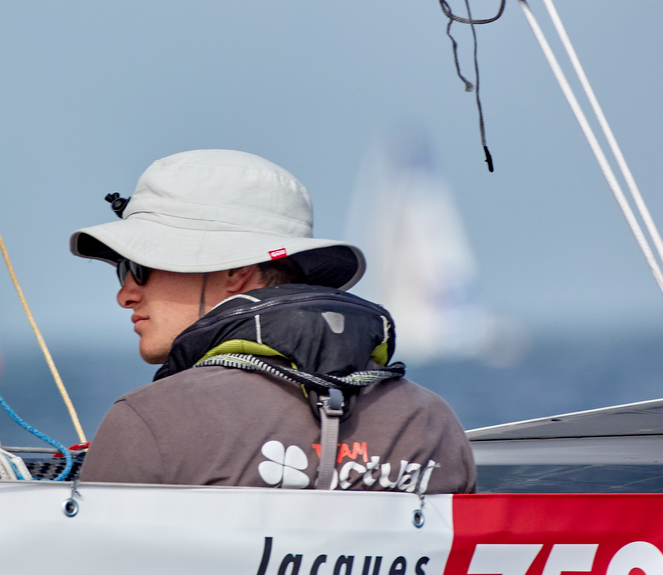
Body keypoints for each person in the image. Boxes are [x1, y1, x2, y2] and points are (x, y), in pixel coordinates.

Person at [68, 149, 475, 492]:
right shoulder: (428, 422)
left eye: (139, 266)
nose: (125, 294)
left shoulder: (149, 422)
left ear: (235, 272)